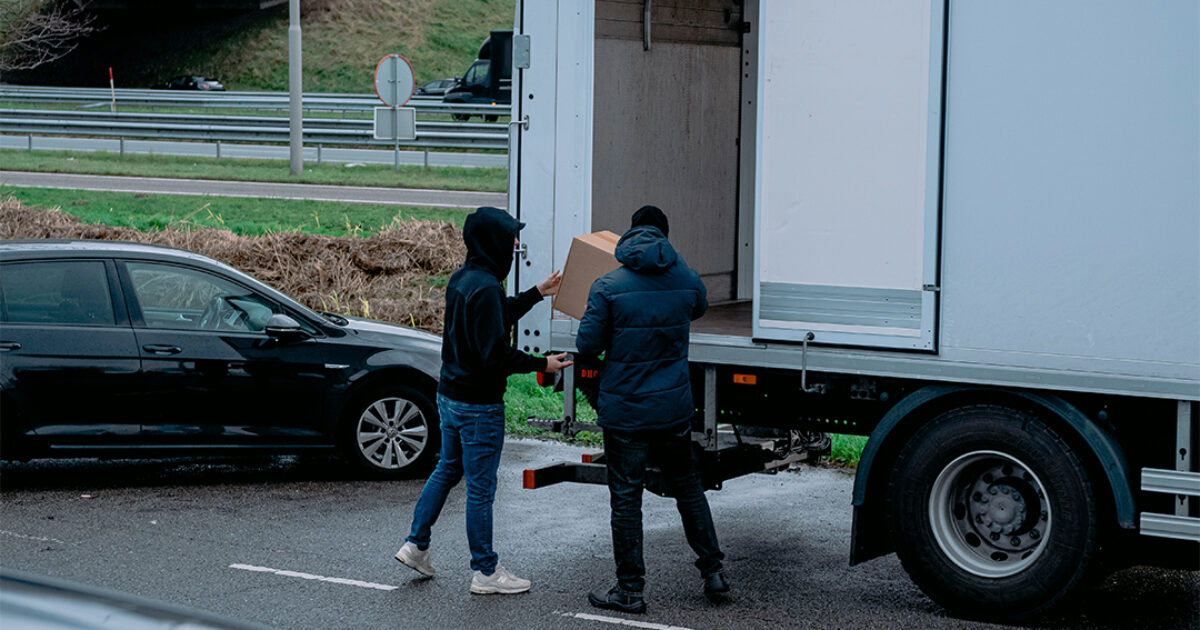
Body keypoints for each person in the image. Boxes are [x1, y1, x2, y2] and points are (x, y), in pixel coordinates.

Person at [394, 206, 572, 595]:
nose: (516, 243)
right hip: (479, 406)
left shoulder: (465, 279)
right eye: (511, 236)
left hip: (451, 396)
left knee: (446, 470)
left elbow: (492, 319)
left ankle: (415, 545)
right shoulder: (488, 286)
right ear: (493, 239)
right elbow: (496, 354)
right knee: (480, 488)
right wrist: (543, 362)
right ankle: (486, 571)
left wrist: (537, 293)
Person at [575, 205, 728, 614]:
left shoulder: (607, 285)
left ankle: (630, 590)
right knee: (688, 487)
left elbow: (587, 346)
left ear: (630, 234)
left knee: (626, 498)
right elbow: (699, 308)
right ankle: (713, 571)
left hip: (625, 411)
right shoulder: (687, 280)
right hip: (673, 409)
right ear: (664, 236)